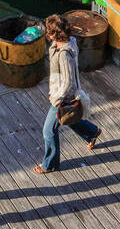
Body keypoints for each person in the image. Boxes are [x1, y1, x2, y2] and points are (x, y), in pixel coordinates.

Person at [34, 15, 101, 174]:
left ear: (54, 34)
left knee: (48, 130)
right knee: (68, 118)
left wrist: (57, 98)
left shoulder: (64, 54)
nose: (47, 35)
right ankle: (92, 132)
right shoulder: (64, 43)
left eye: (49, 32)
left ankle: (49, 165)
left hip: (64, 96)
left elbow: (69, 81)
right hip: (63, 94)